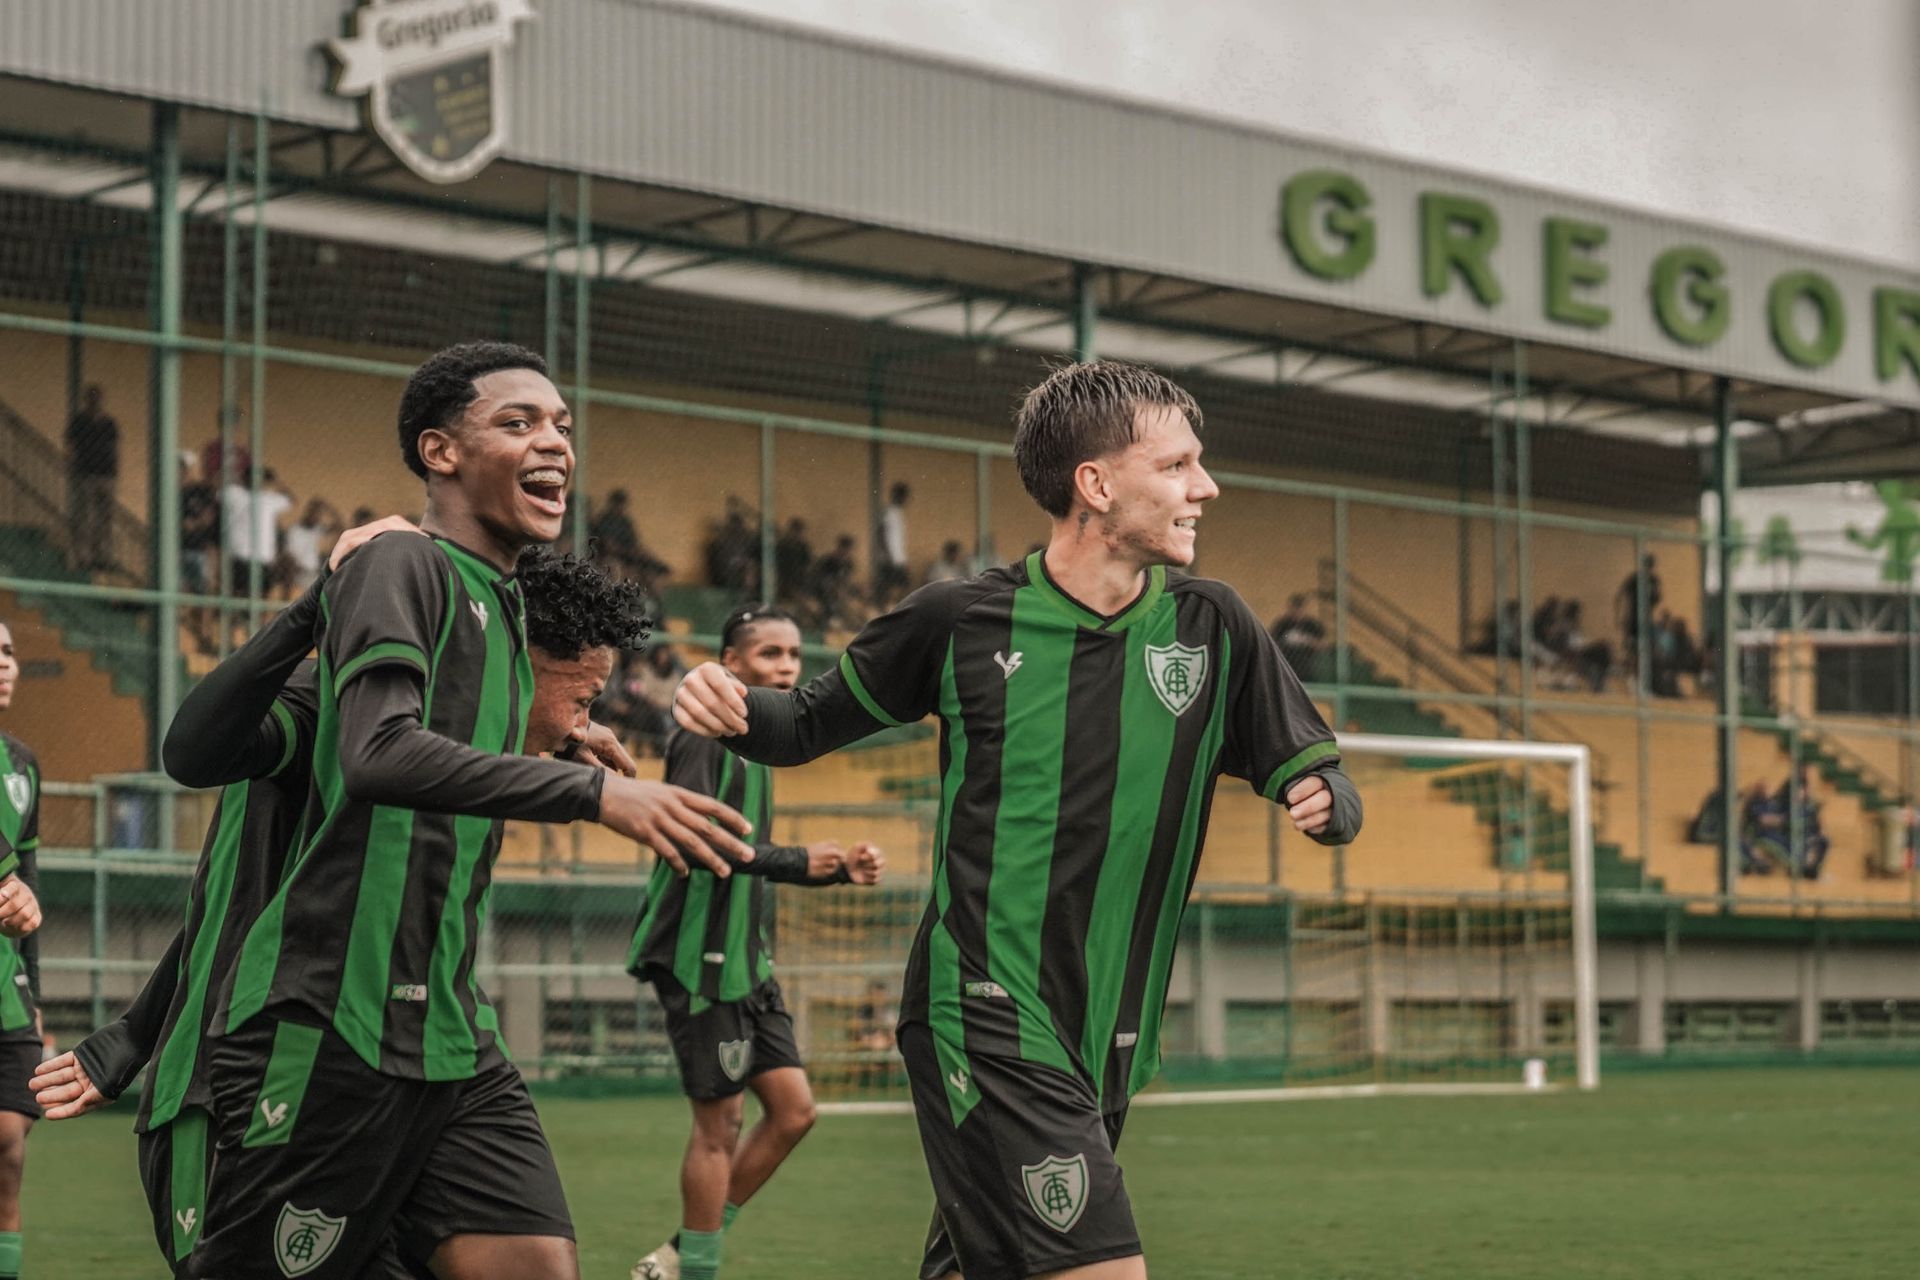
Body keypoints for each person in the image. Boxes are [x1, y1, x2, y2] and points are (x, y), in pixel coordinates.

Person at [674, 360, 1362, 1280]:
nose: (1206, 487)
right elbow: (801, 722)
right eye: (1178, 465)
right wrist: (720, 696)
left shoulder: (1214, 626)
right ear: (1097, 483)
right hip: (987, 1006)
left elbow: (1306, 756)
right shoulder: (960, 621)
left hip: (1112, 1026)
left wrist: (1330, 801)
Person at [160, 341, 756, 1280]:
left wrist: (559, 735)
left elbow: (466, 731)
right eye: (517, 422)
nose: (553, 440)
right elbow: (375, 753)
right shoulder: (403, 561)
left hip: (448, 1034)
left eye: (562, 424)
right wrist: (594, 791)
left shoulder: (511, 614)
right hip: (329, 1021)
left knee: (535, 1265)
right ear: (440, 452)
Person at [32, 537, 648, 1276]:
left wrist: (546, 736)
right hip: (251, 1067)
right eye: (581, 699)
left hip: (424, 1055)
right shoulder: (333, 705)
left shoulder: (465, 751)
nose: (585, 724)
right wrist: (137, 1034)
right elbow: (234, 868)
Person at [628, 604, 885, 1280]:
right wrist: (802, 863)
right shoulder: (702, 732)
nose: (788, 668)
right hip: (698, 953)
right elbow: (698, 838)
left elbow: (750, 854)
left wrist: (832, 874)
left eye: (795, 656)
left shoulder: (759, 738)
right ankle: (699, 1271)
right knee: (720, 1127)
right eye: (770, 654)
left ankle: (682, 1256)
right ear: (731, 662)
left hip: (747, 956)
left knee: (795, 1112)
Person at [0, 620, 50, 1280]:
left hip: (4, 984)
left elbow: (27, 888)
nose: (2, 664)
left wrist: (32, 993)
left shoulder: (22, 766)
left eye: (8, 652)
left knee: (11, 1138)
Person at [64, 383, 119, 574]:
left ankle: (103, 556)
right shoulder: (79, 422)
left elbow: (115, 448)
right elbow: (70, 446)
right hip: (86, 474)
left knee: (105, 518)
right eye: (92, 397)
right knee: (85, 517)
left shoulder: (109, 423)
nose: (95, 402)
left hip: (107, 475)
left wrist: (115, 471)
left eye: (98, 398)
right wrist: (72, 467)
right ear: (86, 400)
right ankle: (83, 557)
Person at [220, 467, 294, 598]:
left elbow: (291, 501)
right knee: (239, 594)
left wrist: (275, 482)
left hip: (261, 557)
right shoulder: (235, 493)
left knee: (258, 594)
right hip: (241, 555)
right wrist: (277, 482)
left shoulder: (268, 498)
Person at [280, 497, 342, 596]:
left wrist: (330, 510)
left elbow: (339, 527)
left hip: (313, 573)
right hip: (296, 572)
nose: (317, 517)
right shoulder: (294, 530)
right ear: (308, 513)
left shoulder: (317, 529)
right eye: (314, 514)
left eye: (319, 515)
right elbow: (288, 555)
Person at [1270, 593, 1326, 679]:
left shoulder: (1311, 625)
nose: (1296, 613)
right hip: (1286, 662)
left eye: (1299, 609)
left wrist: (1306, 641)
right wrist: (1286, 639)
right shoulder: (1282, 624)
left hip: (1307, 663)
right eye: (1293, 609)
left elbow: (1322, 645)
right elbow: (1272, 641)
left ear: (1303, 609)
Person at [876, 481, 911, 606]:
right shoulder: (889, 512)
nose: (905, 499)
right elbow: (881, 534)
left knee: (903, 588)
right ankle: (888, 610)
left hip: (899, 559)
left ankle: (893, 608)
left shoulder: (899, 513)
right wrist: (889, 556)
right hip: (891, 559)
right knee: (890, 590)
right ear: (896, 495)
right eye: (903, 495)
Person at [774, 517, 813, 603]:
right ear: (790, 531)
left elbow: (807, 564)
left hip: (799, 580)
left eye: (799, 531)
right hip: (785, 580)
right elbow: (778, 564)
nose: (797, 535)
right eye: (795, 531)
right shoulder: (782, 545)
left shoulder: (803, 547)